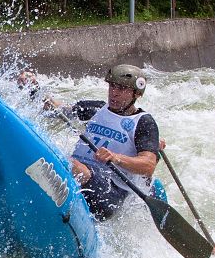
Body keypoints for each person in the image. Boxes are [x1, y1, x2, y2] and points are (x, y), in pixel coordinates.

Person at [45, 65, 160, 220]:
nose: (114, 93)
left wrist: (115, 157)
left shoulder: (144, 122)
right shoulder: (97, 108)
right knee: (58, 155)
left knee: (73, 166)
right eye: (112, 86)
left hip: (111, 192)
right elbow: (58, 109)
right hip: (80, 172)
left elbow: (148, 165)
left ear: (136, 94)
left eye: (122, 89)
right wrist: (34, 90)